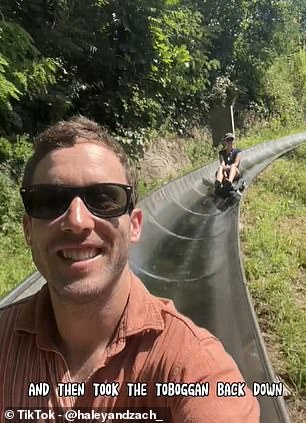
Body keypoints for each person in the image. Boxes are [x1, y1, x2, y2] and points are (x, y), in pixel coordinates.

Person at [0, 116, 259, 422]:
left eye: (104, 199)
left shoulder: (195, 367)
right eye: (49, 201)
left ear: (134, 226)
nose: (77, 220)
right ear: (28, 230)